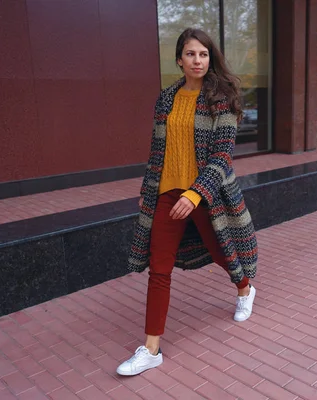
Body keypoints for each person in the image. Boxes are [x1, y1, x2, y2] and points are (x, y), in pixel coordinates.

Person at [119, 28, 258, 376]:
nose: (198, 61)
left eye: (204, 54)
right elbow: (157, 152)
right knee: (159, 267)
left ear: (210, 59)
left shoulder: (220, 99)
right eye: (191, 54)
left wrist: (196, 193)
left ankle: (244, 288)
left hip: (207, 195)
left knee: (221, 251)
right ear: (179, 59)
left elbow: (222, 155)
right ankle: (151, 348)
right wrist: (147, 189)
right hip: (167, 193)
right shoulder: (166, 99)